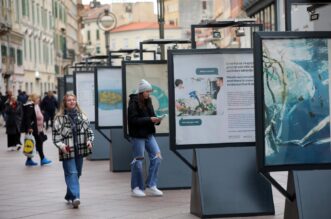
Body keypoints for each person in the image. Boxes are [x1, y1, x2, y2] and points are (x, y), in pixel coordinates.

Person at [52, 93, 94, 208]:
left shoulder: (82, 116)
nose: (72, 102)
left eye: (73, 100)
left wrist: (90, 141)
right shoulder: (58, 119)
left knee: (77, 173)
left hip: (80, 150)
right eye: (69, 100)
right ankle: (76, 197)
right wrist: (62, 146)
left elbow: (89, 132)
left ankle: (69, 194)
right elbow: (56, 138)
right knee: (72, 173)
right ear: (65, 103)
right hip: (67, 150)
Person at [128, 79, 163, 197]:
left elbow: (152, 116)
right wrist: (149, 119)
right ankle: (136, 187)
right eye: (147, 91)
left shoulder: (148, 101)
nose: (149, 93)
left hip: (148, 134)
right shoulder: (133, 102)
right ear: (142, 92)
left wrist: (157, 120)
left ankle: (151, 184)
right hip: (137, 135)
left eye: (150, 91)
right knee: (138, 161)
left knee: (157, 157)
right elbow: (133, 120)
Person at [22, 94, 52, 166]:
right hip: (33, 129)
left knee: (36, 143)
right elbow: (28, 118)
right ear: (34, 98)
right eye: (38, 98)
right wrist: (29, 128)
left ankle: (29, 160)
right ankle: (42, 159)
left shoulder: (36, 105)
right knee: (39, 142)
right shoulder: (30, 106)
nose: (39, 99)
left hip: (38, 128)